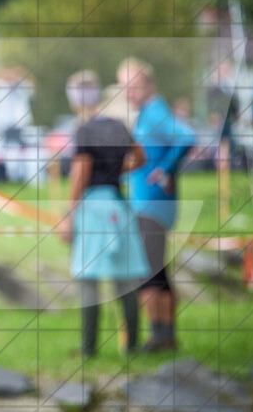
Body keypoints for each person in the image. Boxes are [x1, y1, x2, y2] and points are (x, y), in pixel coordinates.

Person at [57, 70, 149, 356]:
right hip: (118, 205)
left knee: (88, 277)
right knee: (125, 278)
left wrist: (67, 213)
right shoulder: (119, 126)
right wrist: (116, 171)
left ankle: (88, 348)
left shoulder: (83, 129)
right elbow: (140, 157)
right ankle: (131, 345)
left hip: (93, 207)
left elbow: (81, 173)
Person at [118, 57, 195, 352]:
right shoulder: (146, 113)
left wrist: (166, 170)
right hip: (151, 204)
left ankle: (158, 337)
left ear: (150, 85)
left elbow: (187, 137)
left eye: (135, 86)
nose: (130, 93)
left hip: (151, 207)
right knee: (159, 272)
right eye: (125, 87)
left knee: (147, 273)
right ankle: (167, 336)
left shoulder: (154, 112)